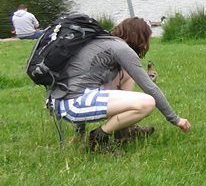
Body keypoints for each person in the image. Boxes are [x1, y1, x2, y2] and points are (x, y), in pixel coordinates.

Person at [47, 17, 191, 150]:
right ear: (139, 38)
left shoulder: (103, 42)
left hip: (60, 101)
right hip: (72, 104)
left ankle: (124, 131)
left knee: (127, 75)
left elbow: (80, 83)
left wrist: (79, 134)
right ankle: (98, 138)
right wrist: (175, 119)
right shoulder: (122, 49)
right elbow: (149, 87)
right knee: (147, 103)